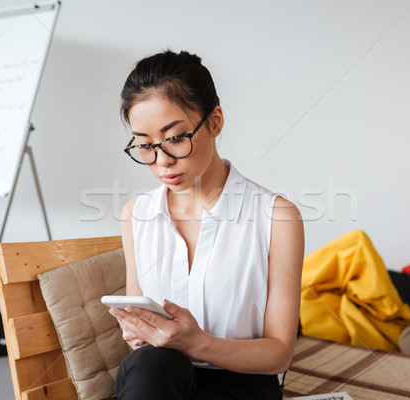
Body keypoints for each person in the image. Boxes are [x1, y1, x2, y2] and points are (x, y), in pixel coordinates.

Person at [110, 50, 304, 400]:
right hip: (157, 379)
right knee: (152, 366)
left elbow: (280, 353)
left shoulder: (277, 216)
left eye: (175, 138)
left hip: (242, 382)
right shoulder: (136, 214)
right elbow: (137, 341)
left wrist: (199, 343)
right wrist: (139, 334)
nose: (162, 161)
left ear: (215, 121)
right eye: (145, 146)